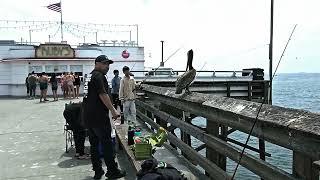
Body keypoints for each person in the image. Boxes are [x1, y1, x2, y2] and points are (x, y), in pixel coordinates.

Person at [83, 55, 126, 179]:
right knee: (107, 145)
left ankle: (98, 171)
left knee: (94, 146)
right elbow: (103, 94)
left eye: (108, 64)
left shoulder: (89, 76)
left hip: (88, 116)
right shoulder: (99, 76)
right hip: (98, 117)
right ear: (97, 63)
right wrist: (113, 110)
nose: (107, 66)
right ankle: (112, 171)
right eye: (104, 64)